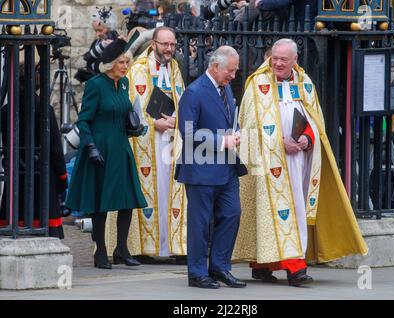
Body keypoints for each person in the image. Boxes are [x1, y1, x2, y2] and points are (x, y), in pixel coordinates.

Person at [232, 39, 368, 286]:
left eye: (284, 59)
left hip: (299, 160)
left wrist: (306, 138)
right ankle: (294, 267)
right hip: (268, 160)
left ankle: (266, 264)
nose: (278, 63)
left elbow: (315, 119)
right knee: (272, 211)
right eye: (275, 58)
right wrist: (278, 142)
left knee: (294, 207)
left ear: (296, 60)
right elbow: (250, 125)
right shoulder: (258, 83)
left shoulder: (304, 83)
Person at [105, 26, 187, 263]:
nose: (169, 49)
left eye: (172, 44)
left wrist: (175, 120)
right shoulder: (137, 69)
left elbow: (181, 101)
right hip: (144, 142)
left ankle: (171, 246)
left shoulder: (175, 69)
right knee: (146, 191)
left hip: (170, 143)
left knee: (169, 193)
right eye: (165, 44)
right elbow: (128, 108)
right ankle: (143, 247)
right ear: (153, 44)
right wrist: (153, 125)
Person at [66, 38, 148, 269]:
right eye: (121, 62)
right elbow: (83, 121)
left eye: (127, 62)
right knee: (100, 204)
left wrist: (134, 127)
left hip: (121, 147)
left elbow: (122, 112)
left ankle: (121, 249)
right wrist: (90, 147)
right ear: (110, 63)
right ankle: (100, 251)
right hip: (100, 150)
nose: (125, 66)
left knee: (127, 201)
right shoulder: (95, 84)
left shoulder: (122, 84)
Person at [176, 46, 248, 289]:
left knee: (232, 214)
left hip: (226, 168)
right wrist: (221, 141)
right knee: (201, 222)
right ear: (215, 67)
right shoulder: (194, 92)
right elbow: (187, 132)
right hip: (200, 169)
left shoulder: (225, 88)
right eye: (230, 71)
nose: (233, 76)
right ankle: (197, 272)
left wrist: (234, 133)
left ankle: (219, 267)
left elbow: (228, 119)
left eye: (235, 71)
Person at [0, 62, 68, 238]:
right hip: (41, 175)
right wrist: (62, 177)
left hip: (15, 174)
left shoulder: (6, 110)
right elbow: (55, 148)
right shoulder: (44, 109)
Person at [75, 7, 119, 83]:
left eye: (100, 30)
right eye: (96, 30)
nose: (97, 34)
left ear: (109, 27)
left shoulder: (117, 42)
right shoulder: (97, 42)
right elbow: (87, 58)